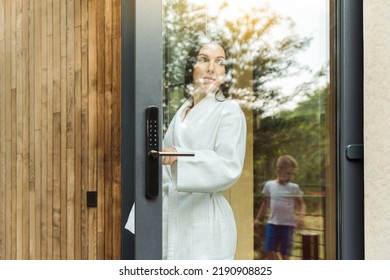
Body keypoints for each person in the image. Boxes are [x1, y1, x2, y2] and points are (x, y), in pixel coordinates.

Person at [161, 36, 247, 260]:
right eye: (203, 59)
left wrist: (180, 157)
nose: (211, 68)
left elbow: (228, 166)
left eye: (220, 62)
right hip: (173, 212)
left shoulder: (229, 110)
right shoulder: (181, 113)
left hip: (205, 218)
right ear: (192, 67)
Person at [254, 155, 306, 260]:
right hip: (272, 224)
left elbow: (302, 204)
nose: (290, 177)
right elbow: (265, 203)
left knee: (285, 255)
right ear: (278, 170)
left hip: (288, 226)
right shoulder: (269, 185)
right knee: (269, 250)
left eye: (292, 174)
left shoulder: (293, 188)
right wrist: (257, 219)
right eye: (288, 173)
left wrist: (301, 216)